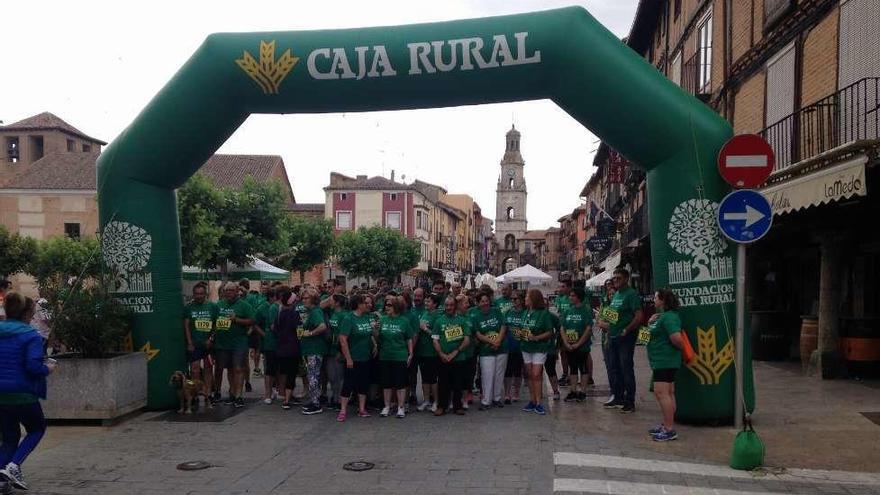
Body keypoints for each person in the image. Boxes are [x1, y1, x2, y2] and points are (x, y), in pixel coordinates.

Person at [0, 292, 56, 491]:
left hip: (1, 394)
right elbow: (33, 367)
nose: (33, 317)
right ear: (26, 314)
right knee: (36, 429)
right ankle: (14, 466)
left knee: (9, 438)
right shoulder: (30, 335)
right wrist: (47, 368)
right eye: (32, 314)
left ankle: (1, 478)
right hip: (23, 392)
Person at [596, 268, 644, 413]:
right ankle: (618, 397)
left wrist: (627, 329)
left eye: (618, 278)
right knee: (614, 368)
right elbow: (613, 316)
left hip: (625, 337)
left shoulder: (631, 294)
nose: (615, 281)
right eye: (614, 278)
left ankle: (630, 401)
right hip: (613, 336)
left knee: (626, 368)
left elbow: (639, 316)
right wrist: (604, 324)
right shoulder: (616, 294)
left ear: (626, 279)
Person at [647, 288, 685, 442]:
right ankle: (666, 424)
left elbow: (676, 338)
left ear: (663, 300)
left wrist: (684, 351)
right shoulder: (660, 317)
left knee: (662, 393)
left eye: (656, 297)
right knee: (667, 393)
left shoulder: (669, 317)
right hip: (659, 360)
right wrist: (649, 322)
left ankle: (669, 429)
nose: (653, 300)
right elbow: (644, 339)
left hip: (665, 360)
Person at [214, 282, 255, 409]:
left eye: (231, 290)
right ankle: (232, 392)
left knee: (238, 368)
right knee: (228, 368)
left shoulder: (244, 305)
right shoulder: (219, 304)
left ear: (237, 291)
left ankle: (239, 396)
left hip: (239, 342)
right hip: (222, 343)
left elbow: (252, 321)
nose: (229, 293)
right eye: (227, 291)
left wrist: (236, 320)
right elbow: (213, 320)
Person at [373, 297, 415, 418]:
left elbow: (409, 338)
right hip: (385, 355)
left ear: (396, 307)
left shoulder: (404, 321)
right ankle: (386, 406)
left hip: (400, 355)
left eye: (390, 305)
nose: (387, 307)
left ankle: (400, 407)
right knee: (386, 383)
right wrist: (375, 330)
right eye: (386, 305)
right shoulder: (383, 320)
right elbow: (377, 338)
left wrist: (411, 353)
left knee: (400, 383)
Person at [337, 295, 377, 421]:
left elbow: (369, 333)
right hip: (353, 357)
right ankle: (343, 410)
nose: (367, 305)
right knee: (348, 384)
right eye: (365, 303)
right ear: (359, 304)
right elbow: (343, 339)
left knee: (363, 383)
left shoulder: (366, 317)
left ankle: (361, 408)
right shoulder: (349, 318)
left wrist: (374, 343)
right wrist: (348, 358)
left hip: (365, 356)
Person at [431, 297, 472, 416]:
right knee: (443, 383)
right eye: (447, 305)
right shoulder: (439, 321)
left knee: (458, 383)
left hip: (459, 358)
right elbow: (435, 339)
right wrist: (442, 354)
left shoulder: (462, 321)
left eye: (451, 305)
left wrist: (456, 352)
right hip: (443, 358)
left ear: (455, 306)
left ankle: (457, 406)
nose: (449, 307)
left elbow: (467, 339)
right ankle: (441, 406)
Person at [521, 289, 554, 415]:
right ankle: (532, 400)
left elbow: (550, 332)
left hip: (539, 347)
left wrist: (536, 337)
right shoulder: (525, 312)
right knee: (529, 374)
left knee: (536, 374)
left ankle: (539, 402)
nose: (525, 299)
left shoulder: (543, 314)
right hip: (526, 347)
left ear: (533, 299)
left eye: (527, 297)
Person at [183, 283, 217, 403]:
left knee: (208, 368)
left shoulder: (212, 307)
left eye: (201, 293)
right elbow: (186, 325)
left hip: (208, 345)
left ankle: (208, 393)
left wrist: (211, 339)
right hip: (195, 344)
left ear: (205, 294)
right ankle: (195, 393)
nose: (199, 296)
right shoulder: (189, 307)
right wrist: (189, 342)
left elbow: (216, 325)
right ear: (193, 294)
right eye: (197, 294)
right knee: (194, 369)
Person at [473, 292, 507, 410]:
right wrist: (492, 342)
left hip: (501, 348)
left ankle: (496, 398)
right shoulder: (476, 316)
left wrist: (498, 340)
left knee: (499, 374)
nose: (485, 303)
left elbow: (503, 325)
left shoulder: (496, 311)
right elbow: (477, 334)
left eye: (486, 300)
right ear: (478, 303)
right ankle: (486, 400)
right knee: (487, 375)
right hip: (486, 350)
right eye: (482, 301)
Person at [560, 287, 593, 402]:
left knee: (583, 368)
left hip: (582, 346)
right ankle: (573, 391)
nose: (570, 297)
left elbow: (588, 329)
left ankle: (583, 391)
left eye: (573, 296)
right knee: (572, 368)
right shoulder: (568, 310)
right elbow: (562, 327)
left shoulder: (585, 311)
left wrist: (578, 344)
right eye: (570, 295)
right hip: (569, 346)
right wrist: (566, 342)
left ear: (578, 297)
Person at [299, 292, 328, 415]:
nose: (304, 300)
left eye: (307, 298)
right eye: (303, 298)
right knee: (312, 375)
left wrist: (310, 333)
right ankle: (313, 400)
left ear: (313, 299)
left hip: (315, 349)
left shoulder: (315, 311)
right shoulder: (312, 311)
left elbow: (322, 326)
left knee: (313, 376)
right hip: (310, 349)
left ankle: (316, 404)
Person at [274, 289, 302, 410]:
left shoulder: (280, 313)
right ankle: (287, 399)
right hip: (292, 347)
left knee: (284, 372)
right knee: (291, 373)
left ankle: (285, 394)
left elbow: (274, 328)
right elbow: (298, 328)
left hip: (281, 347)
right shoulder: (293, 313)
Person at [256, 289, 281, 405]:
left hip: (279, 343)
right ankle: (268, 392)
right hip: (269, 343)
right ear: (272, 297)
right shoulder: (262, 308)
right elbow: (255, 324)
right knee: (269, 368)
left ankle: (277, 389)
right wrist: (264, 335)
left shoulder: (279, 307)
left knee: (278, 367)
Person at [325, 294, 348, 411]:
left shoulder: (343, 315)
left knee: (339, 376)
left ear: (338, 303)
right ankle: (334, 397)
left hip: (338, 350)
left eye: (331, 300)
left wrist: (340, 350)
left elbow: (343, 334)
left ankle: (339, 400)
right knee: (332, 376)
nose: (330, 302)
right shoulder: (333, 313)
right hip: (331, 349)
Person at [503, 290, 525, 404]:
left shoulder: (525, 313)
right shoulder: (508, 312)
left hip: (521, 347)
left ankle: (516, 392)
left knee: (518, 371)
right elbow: (504, 328)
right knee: (507, 371)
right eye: (511, 299)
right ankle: (507, 393)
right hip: (509, 346)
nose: (513, 301)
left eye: (515, 299)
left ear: (521, 300)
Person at [597, 279, 616, 405]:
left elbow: (613, 323)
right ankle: (614, 392)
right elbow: (601, 318)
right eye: (607, 287)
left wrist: (604, 323)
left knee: (615, 367)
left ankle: (618, 393)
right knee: (609, 367)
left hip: (614, 338)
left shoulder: (616, 303)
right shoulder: (605, 302)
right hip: (605, 338)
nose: (609, 290)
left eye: (611, 287)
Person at [555, 281, 573, 387]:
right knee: (562, 353)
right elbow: (559, 313)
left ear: (569, 288)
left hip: (571, 329)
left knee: (571, 353)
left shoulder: (572, 298)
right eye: (560, 286)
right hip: (561, 328)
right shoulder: (560, 299)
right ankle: (565, 374)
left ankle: (572, 374)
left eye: (563, 287)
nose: (560, 288)